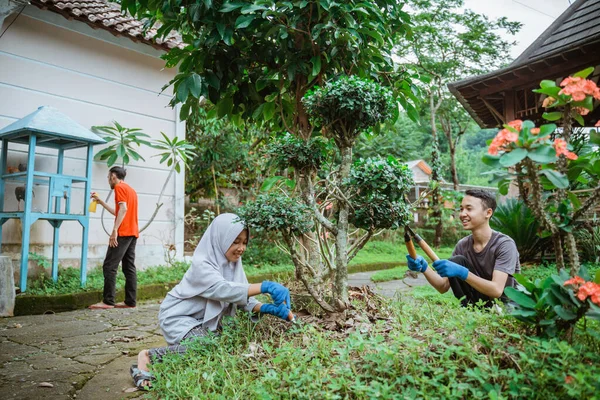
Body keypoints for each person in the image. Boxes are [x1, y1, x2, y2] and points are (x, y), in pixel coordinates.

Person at [130, 213, 293, 390]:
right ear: (220, 238)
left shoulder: (233, 265)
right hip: (178, 317)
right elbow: (223, 290)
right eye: (235, 241)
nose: (241, 248)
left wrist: (269, 308)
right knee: (206, 346)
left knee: (219, 347)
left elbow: (242, 300)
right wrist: (265, 286)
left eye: (244, 242)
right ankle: (148, 356)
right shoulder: (202, 264)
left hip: (200, 323)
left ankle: (171, 359)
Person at [406, 189, 520, 307]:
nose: (462, 214)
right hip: (482, 308)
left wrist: (462, 272)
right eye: (461, 209)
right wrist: (424, 267)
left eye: (469, 209)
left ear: (488, 213)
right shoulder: (463, 245)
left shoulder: (504, 244)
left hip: (507, 308)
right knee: (458, 261)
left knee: (458, 263)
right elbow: (443, 286)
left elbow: (496, 290)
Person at [89, 166, 139, 309]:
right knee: (129, 267)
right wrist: (101, 202)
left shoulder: (119, 188)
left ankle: (108, 301)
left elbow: (123, 209)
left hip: (123, 233)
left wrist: (114, 231)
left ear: (113, 176)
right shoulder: (131, 190)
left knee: (109, 266)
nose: (108, 180)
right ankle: (130, 301)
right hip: (132, 232)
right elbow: (119, 211)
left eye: (108, 177)